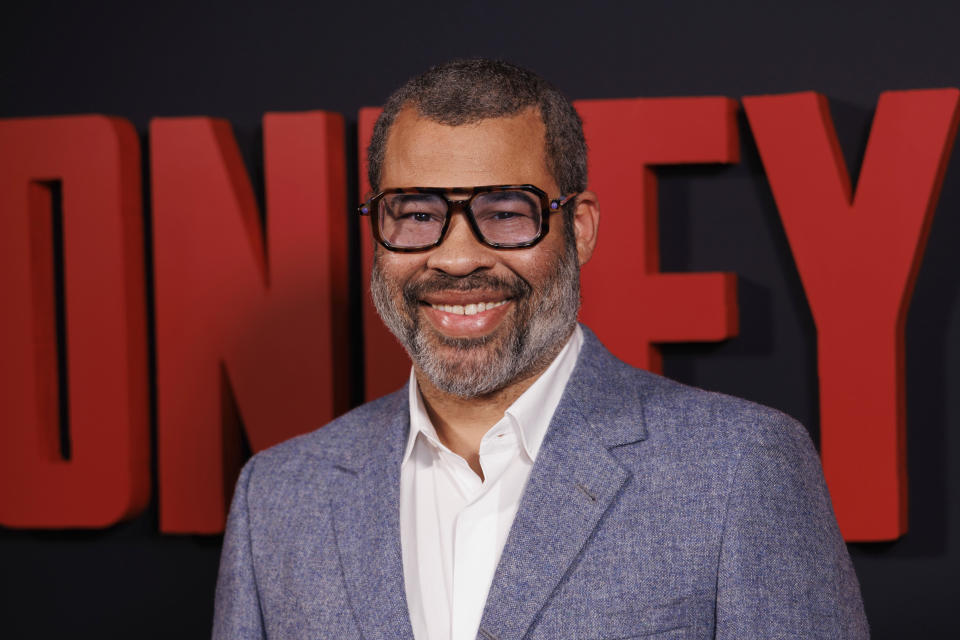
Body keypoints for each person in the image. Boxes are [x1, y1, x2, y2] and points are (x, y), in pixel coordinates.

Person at [212, 59, 869, 640]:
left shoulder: (737, 469)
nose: (458, 255)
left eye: (505, 212)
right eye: (415, 214)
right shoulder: (277, 497)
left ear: (577, 229)